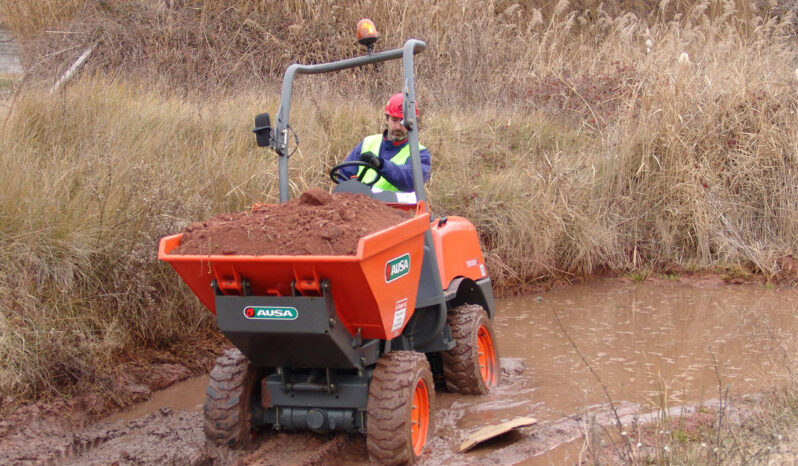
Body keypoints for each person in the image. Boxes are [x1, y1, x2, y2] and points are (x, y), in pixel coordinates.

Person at [339, 93, 431, 192]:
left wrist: (382, 165)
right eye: (394, 120)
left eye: (403, 122)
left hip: (396, 206)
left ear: (412, 123)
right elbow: (344, 175)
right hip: (361, 204)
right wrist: (352, 185)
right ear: (387, 119)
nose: (398, 127)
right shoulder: (367, 142)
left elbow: (410, 180)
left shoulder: (420, 153)